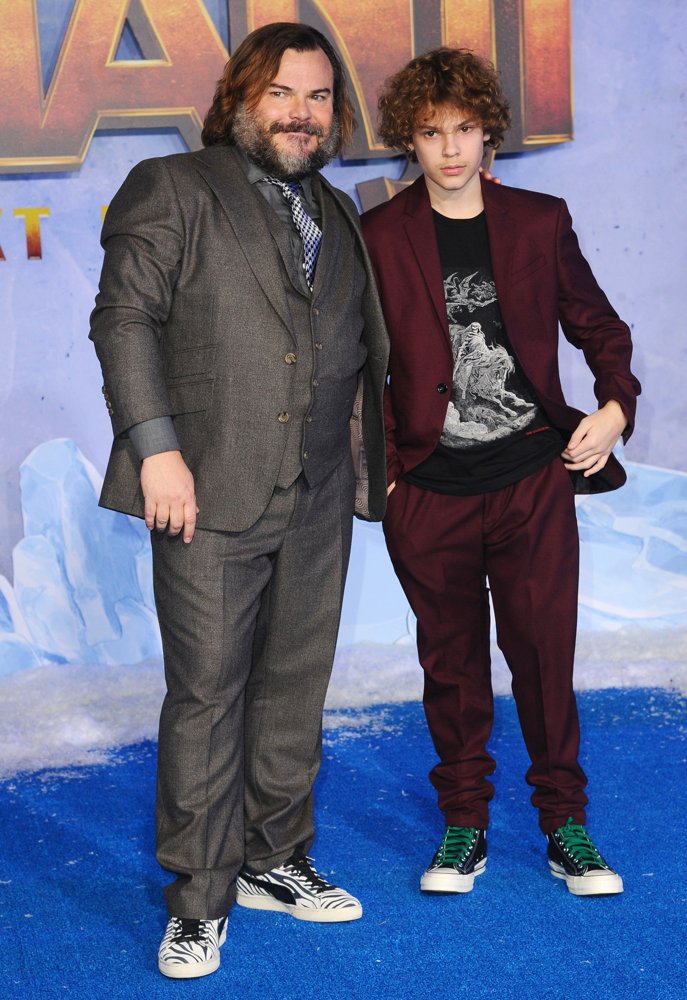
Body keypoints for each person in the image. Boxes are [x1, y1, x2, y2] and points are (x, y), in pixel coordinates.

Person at [89, 22, 388, 979]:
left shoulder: (336, 211)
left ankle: (273, 858)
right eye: (281, 94)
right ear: (238, 101)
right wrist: (157, 454)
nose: (302, 114)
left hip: (316, 493)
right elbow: (123, 320)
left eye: (318, 97)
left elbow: (353, 350)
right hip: (204, 489)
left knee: (294, 687)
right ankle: (198, 896)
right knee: (208, 697)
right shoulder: (172, 187)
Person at [361, 48, 640, 899]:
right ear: (408, 140)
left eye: (464, 129)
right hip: (429, 493)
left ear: (489, 133)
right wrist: (390, 478)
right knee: (450, 672)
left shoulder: (537, 221)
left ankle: (565, 828)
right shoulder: (379, 236)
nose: (449, 148)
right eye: (430, 132)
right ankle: (463, 827)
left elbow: (599, 326)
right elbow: (358, 369)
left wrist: (614, 406)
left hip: (529, 481)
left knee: (544, 662)